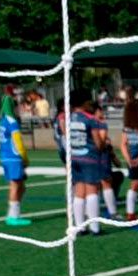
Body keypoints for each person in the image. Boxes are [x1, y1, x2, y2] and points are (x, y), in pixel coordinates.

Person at [69, 90, 107, 235]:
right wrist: (103, 146)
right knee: (92, 191)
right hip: (89, 157)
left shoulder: (69, 117)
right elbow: (97, 141)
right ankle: (94, 226)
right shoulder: (90, 119)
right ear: (84, 103)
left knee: (79, 192)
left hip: (75, 157)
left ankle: (79, 226)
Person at [0, 94, 30, 226]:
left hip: (5, 157)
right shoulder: (12, 122)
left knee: (21, 186)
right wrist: (25, 158)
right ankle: (12, 216)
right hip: (14, 157)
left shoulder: (1, 121)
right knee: (16, 186)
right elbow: (18, 142)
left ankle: (13, 213)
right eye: (15, 106)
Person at [94, 105, 120, 220]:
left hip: (90, 156)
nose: (102, 113)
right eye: (100, 110)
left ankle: (93, 213)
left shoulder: (87, 122)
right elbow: (102, 141)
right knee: (106, 183)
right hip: (101, 156)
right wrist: (107, 144)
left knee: (96, 185)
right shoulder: (100, 123)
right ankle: (113, 212)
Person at [53, 98, 67, 163]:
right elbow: (62, 127)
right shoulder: (62, 115)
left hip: (59, 140)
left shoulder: (57, 116)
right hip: (63, 139)